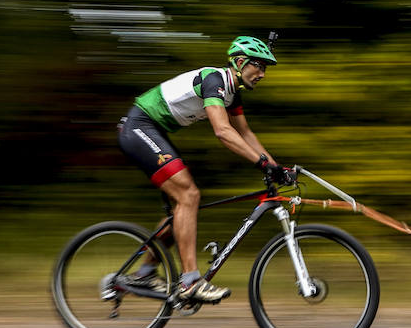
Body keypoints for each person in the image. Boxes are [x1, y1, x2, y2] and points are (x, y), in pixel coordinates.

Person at [114, 35, 295, 302]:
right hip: (139, 126)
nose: (263, 74)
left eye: (266, 68)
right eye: (260, 66)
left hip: (155, 130)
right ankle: (189, 282)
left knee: (183, 208)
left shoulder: (232, 94)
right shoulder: (215, 80)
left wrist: (276, 167)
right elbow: (223, 131)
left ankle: (143, 273)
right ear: (242, 62)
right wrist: (262, 163)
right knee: (189, 196)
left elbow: (244, 133)